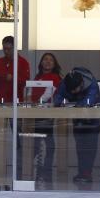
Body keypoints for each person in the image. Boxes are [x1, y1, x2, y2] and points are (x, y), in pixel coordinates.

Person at [54, 66, 100, 183]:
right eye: (71, 91)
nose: (74, 93)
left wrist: (77, 104)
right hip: (76, 117)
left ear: (82, 84)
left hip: (92, 117)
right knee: (80, 145)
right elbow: (58, 97)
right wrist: (58, 104)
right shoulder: (66, 83)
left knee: (90, 145)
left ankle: (86, 173)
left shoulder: (91, 84)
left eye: (76, 90)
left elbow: (88, 102)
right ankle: (82, 172)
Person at [32, 52, 62, 188]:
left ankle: (46, 168)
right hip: (34, 112)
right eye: (45, 59)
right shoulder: (37, 77)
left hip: (46, 113)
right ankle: (34, 168)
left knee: (48, 142)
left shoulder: (55, 77)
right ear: (41, 63)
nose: (48, 62)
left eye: (51, 60)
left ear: (54, 64)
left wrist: (35, 103)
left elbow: (48, 94)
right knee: (36, 143)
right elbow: (30, 92)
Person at [0, 36, 30, 104]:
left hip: (15, 103)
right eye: (4, 49)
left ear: (15, 48)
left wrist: (12, 78)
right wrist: (5, 76)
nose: (6, 51)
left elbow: (25, 81)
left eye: (9, 49)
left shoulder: (23, 63)